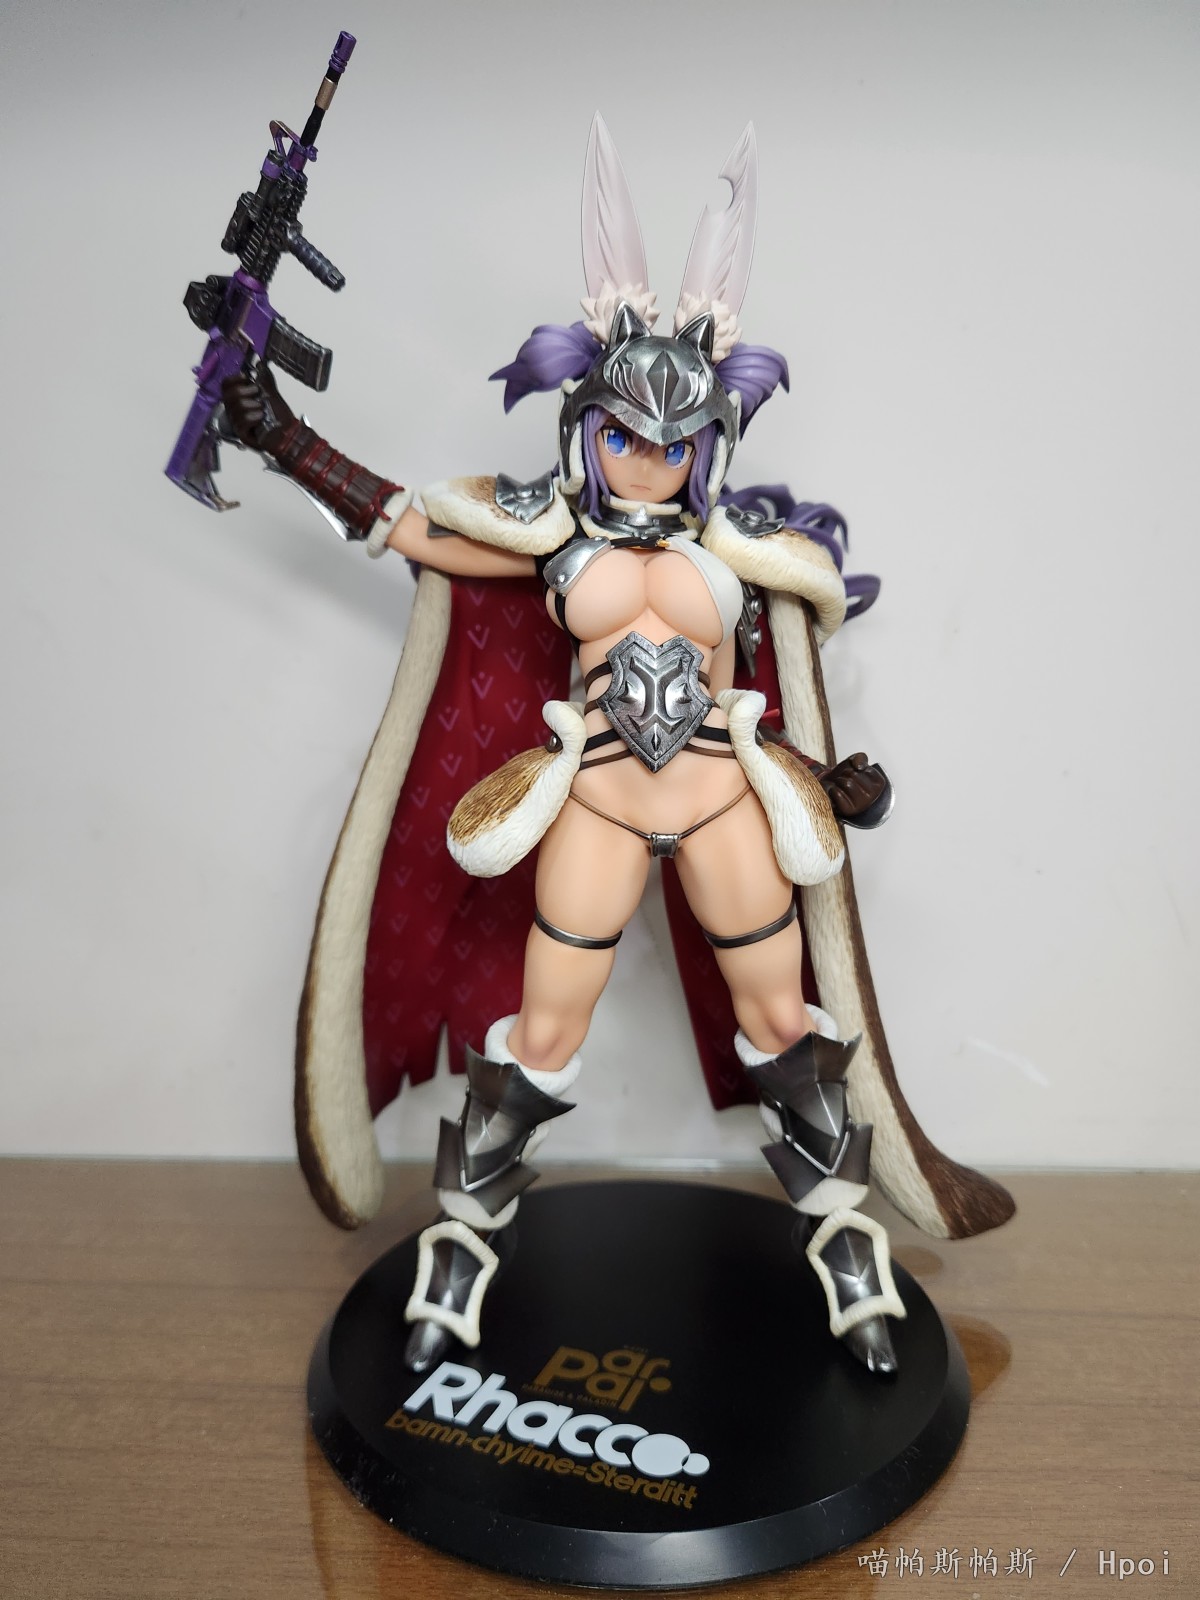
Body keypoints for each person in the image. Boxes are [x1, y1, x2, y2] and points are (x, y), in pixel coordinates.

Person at [222, 116, 1013, 1379]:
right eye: (624, 438)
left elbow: (787, 672)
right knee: (541, 1033)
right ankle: (463, 1247)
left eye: (673, 444)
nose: (647, 465)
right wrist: (281, 435)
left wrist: (829, 772)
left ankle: (847, 1243)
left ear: (711, 443)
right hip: (590, 793)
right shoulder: (552, 538)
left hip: (722, 795)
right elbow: (415, 529)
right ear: (585, 427)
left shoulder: (738, 552)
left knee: (782, 1015)